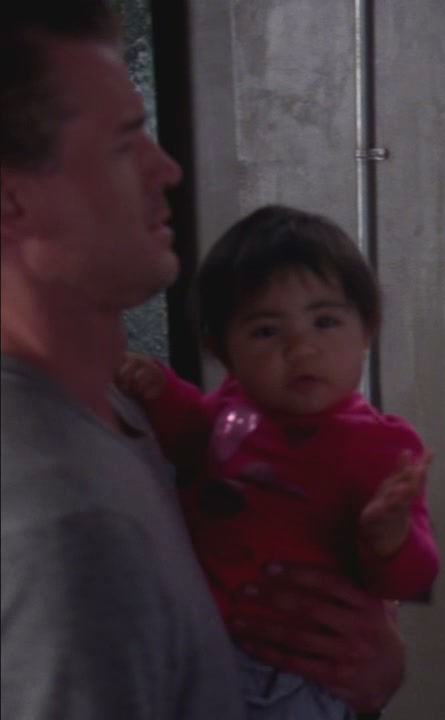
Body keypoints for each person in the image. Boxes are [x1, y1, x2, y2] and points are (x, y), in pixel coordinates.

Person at [1, 4, 410, 718]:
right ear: (12, 200)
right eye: (124, 143)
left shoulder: (123, 412)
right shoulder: (61, 524)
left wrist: (370, 673)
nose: (168, 168)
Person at [114, 204, 441, 719]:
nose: (301, 349)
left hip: (295, 670)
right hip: (207, 640)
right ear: (222, 350)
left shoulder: (380, 447)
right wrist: (160, 393)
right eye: (267, 331)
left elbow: (408, 580)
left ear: (367, 330)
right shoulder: (230, 408)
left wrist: (389, 536)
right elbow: (191, 438)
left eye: (325, 322)